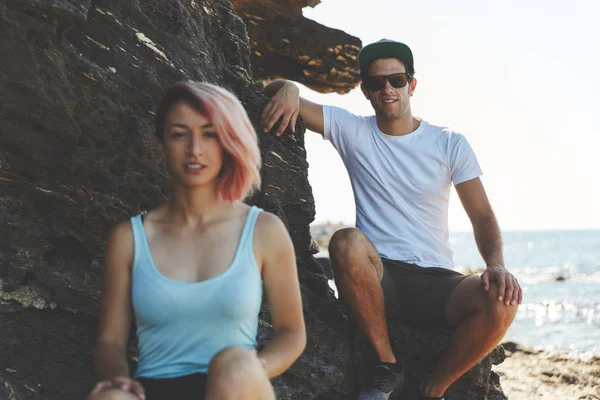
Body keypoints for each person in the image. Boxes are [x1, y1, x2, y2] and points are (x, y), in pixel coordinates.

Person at [262, 39, 522, 400]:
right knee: (345, 241)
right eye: (377, 82)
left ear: (411, 85)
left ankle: (435, 389)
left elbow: (481, 215)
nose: (388, 89)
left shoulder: (449, 142)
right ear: (365, 91)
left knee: (503, 299)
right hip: (381, 278)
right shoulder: (352, 129)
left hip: (439, 282)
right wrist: (287, 87)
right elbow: (273, 91)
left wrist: (496, 264)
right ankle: (388, 365)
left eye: (396, 80)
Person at [88, 81, 306, 400]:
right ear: (161, 145)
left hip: (236, 387)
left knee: (232, 364)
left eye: (209, 133)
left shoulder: (263, 230)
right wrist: (118, 379)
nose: (194, 150)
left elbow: (293, 333)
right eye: (179, 134)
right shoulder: (129, 239)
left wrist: (251, 369)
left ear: (228, 142)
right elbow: (110, 341)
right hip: (154, 388)